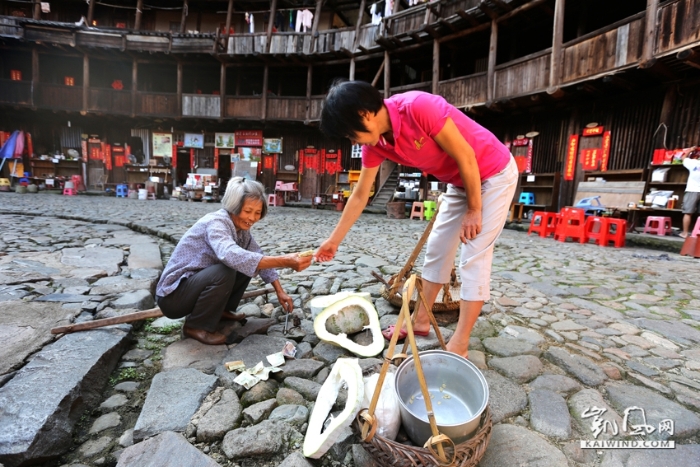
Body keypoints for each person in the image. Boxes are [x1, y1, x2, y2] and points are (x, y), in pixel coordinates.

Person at [315, 80, 518, 358]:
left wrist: (474, 209)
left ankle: (460, 342)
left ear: (364, 114)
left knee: (474, 255)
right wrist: (333, 241)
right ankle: (421, 322)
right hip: (459, 181)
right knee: (437, 248)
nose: (353, 141)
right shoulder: (375, 145)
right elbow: (361, 195)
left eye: (351, 135)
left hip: (492, 172)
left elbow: (466, 155)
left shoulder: (418, 107)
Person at [155, 177, 312, 345]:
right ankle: (196, 326)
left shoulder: (242, 231)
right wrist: (285, 261)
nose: (252, 218)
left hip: (192, 288)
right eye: (247, 211)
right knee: (227, 269)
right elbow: (229, 254)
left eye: (257, 213)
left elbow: (258, 256)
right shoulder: (216, 222)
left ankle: (221, 311)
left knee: (249, 262)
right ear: (234, 207)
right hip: (173, 297)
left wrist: (280, 291)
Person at [681, 146, 700, 239]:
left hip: (692, 190)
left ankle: (685, 233)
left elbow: (683, 158)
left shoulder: (693, 163)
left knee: (688, 213)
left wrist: (690, 150)